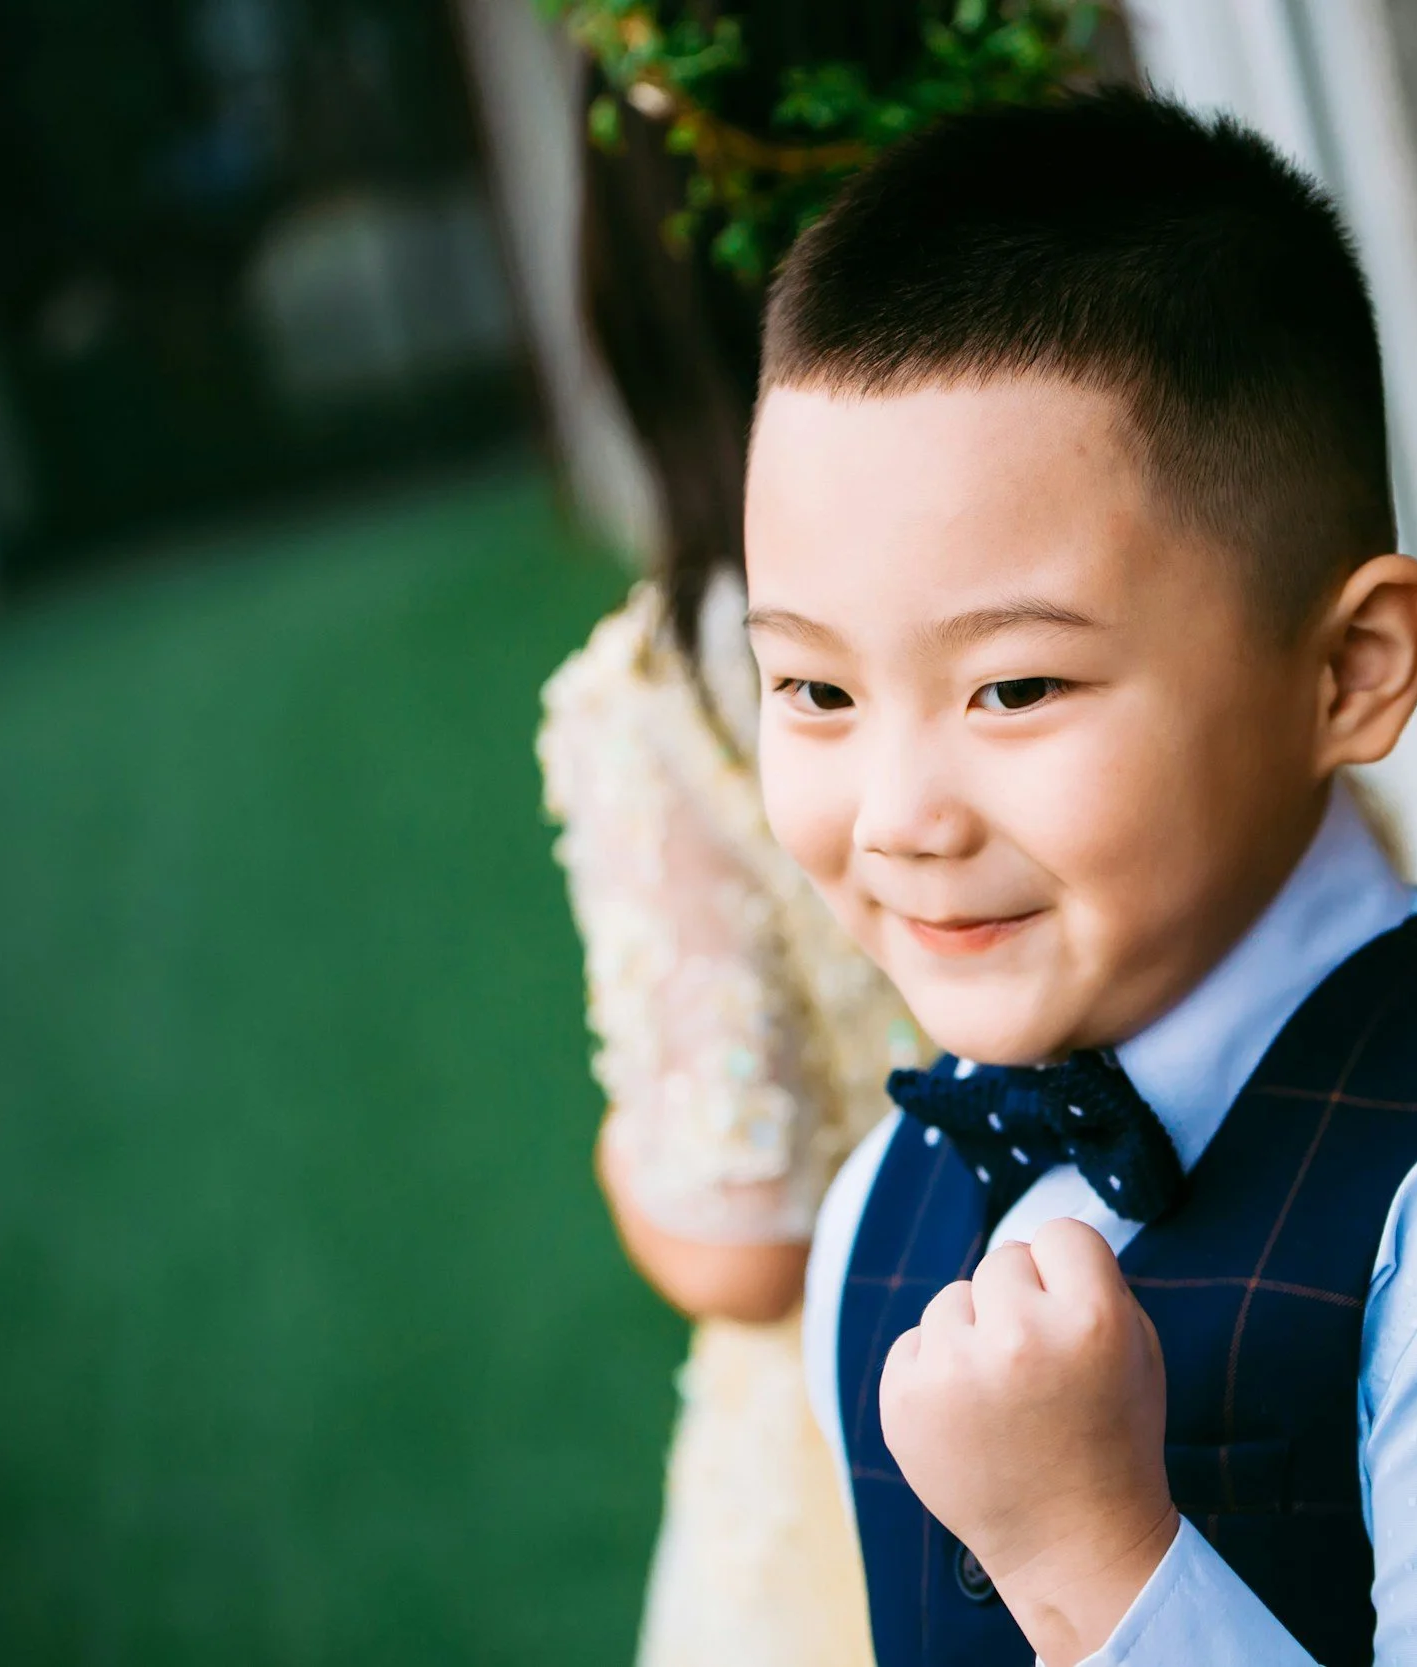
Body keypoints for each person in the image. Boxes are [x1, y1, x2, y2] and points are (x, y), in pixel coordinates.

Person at [743, 91, 1417, 1667]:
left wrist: (1094, 1556)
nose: (901, 814)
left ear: (1349, 670)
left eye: (1019, 689)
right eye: (818, 693)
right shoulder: (883, 1211)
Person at [535, 64, 916, 1667]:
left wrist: (632, 1172)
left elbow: (750, 1238)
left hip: (862, 1450)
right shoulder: (1080, 577)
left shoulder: (661, 694)